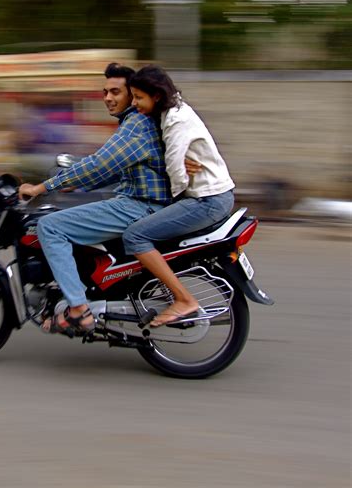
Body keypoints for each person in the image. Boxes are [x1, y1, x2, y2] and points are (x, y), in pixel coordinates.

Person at [18, 63, 171, 335]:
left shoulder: (135, 124)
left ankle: (78, 308)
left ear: (133, 94)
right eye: (105, 92)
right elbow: (112, 171)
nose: (108, 98)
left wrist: (43, 187)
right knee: (75, 214)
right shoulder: (134, 124)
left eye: (116, 92)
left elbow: (99, 165)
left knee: (50, 227)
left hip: (138, 206)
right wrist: (72, 186)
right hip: (140, 202)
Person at [122, 65, 235, 327]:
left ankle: (183, 299)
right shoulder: (175, 110)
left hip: (207, 201)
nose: (135, 103)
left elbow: (175, 170)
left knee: (135, 235)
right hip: (214, 196)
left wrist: (172, 197)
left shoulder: (175, 121)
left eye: (139, 97)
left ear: (157, 96)